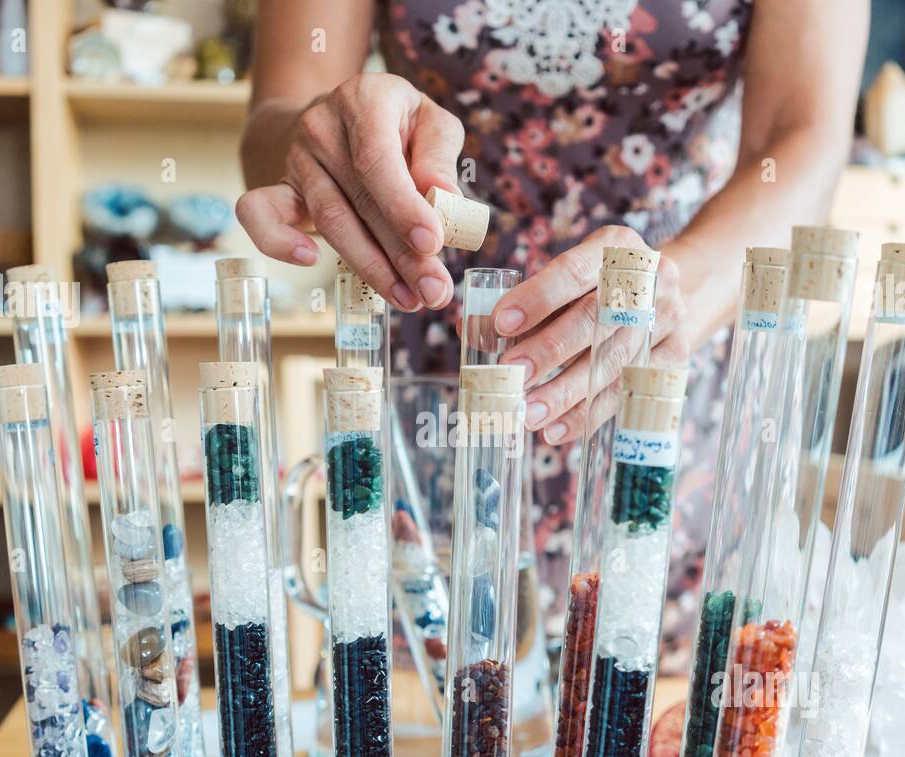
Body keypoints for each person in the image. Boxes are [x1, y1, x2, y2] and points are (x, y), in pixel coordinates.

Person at [237, 0, 868, 667]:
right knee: (435, 710)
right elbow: (273, 126)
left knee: (649, 714)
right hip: (442, 379)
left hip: (672, 368)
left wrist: (665, 296)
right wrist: (320, 133)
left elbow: (804, 143)